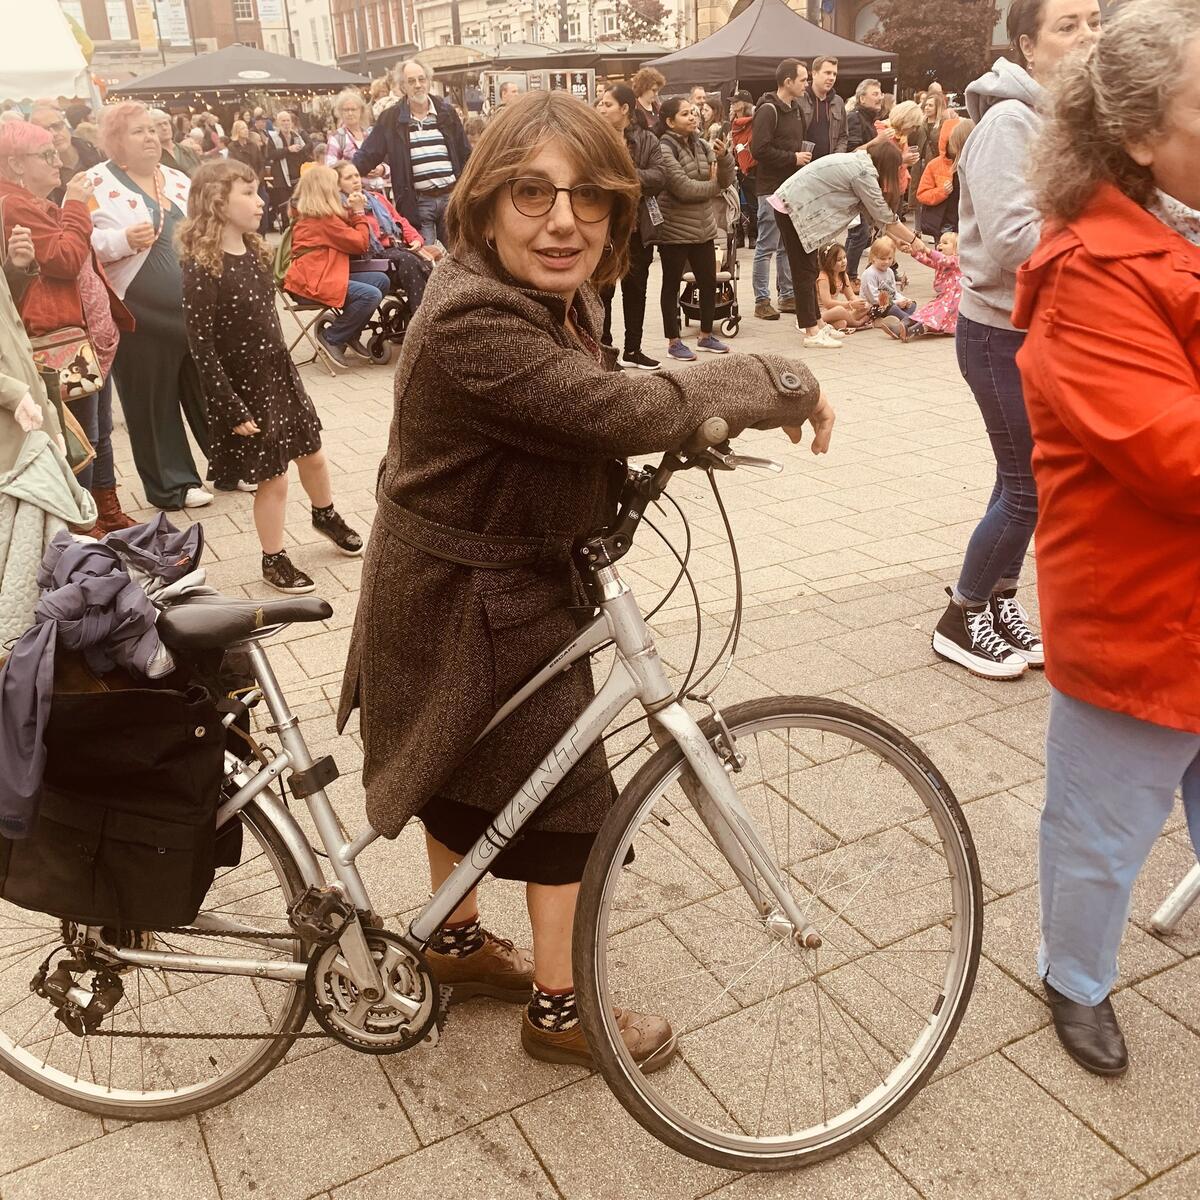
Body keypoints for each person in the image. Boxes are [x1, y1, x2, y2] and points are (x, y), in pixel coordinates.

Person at [335, 88, 834, 1071]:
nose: (563, 220)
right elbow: (611, 410)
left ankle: (453, 943)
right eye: (531, 192)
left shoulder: (540, 285)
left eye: (589, 198)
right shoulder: (477, 317)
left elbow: (576, 416)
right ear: (483, 202)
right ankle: (562, 1014)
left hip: (469, 584)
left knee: (460, 774)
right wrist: (782, 381)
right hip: (467, 601)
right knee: (566, 802)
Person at [1009, 0, 1200, 1078]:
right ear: (1139, 138)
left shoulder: (1181, 233)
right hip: (1138, 618)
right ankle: (1073, 978)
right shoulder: (1090, 273)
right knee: (1098, 840)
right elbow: (1179, 453)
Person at [930, 0, 1101, 679]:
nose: (1088, 34)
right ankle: (961, 612)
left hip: (1034, 330)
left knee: (1029, 481)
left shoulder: (1064, 121)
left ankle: (998, 602)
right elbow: (1008, 242)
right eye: (1068, 25)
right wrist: (1102, 248)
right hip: (998, 333)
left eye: (1094, 20)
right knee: (1027, 484)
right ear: (1028, 45)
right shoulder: (1008, 122)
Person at [180, 160, 362, 595]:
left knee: (313, 452)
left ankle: (325, 514)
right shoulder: (203, 267)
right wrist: (228, 406)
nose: (260, 201)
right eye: (248, 193)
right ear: (217, 202)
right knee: (273, 477)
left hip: (278, 375)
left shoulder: (256, 250)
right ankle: (273, 558)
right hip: (244, 388)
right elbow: (200, 345)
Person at [0, 121, 137, 532]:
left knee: (98, 432)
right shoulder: (13, 204)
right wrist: (76, 204)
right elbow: (64, 258)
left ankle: (106, 512)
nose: (58, 160)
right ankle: (83, 525)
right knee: (80, 437)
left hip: (80, 334)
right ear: (15, 163)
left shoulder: (28, 201)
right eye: (46, 154)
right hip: (55, 339)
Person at [87, 101, 213, 511]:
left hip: (191, 307)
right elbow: (83, 244)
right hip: (136, 311)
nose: (150, 138)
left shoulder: (176, 177)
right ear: (116, 141)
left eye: (153, 130)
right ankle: (172, 484)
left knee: (209, 387)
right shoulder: (93, 183)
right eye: (138, 131)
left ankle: (230, 463)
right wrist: (122, 240)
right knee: (153, 397)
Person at [0, 223, 94, 640]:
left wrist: (15, 272)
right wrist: (11, 392)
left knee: (38, 556)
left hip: (26, 419)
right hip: (11, 431)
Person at [773, 140, 918, 349]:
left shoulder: (862, 164)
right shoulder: (863, 173)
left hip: (793, 205)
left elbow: (873, 214)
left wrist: (898, 240)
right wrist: (915, 241)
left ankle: (818, 324)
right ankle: (811, 331)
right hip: (792, 207)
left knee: (809, 269)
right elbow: (883, 214)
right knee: (803, 271)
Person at [355, 59, 471, 248]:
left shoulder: (447, 113)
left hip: (451, 197)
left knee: (460, 255)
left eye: (421, 79)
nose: (418, 85)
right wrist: (340, 175)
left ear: (428, 81)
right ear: (402, 86)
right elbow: (368, 154)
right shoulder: (391, 118)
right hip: (417, 201)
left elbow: (466, 155)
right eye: (411, 81)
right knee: (425, 258)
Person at [283, 165, 388, 365]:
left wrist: (350, 210)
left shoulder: (319, 215)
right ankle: (331, 337)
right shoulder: (321, 220)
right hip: (310, 284)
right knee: (370, 294)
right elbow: (360, 243)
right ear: (325, 190)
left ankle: (349, 333)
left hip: (324, 275)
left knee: (381, 280)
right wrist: (358, 212)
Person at [656, 96, 734, 362]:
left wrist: (724, 158)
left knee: (709, 281)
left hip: (704, 227)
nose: (693, 117)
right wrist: (714, 188)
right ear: (669, 121)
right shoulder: (664, 148)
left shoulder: (701, 144)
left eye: (693, 112)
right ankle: (673, 341)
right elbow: (683, 188)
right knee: (671, 284)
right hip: (674, 229)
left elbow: (726, 178)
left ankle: (705, 336)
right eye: (685, 114)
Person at [595, 84, 666, 370]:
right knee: (603, 292)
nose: (601, 108)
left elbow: (660, 176)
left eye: (608, 104)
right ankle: (604, 350)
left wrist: (623, 175)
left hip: (637, 228)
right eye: (600, 103)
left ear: (625, 109)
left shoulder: (647, 139)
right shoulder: (593, 139)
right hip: (603, 229)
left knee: (636, 289)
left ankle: (633, 349)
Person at [331, 161, 436, 310]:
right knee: (409, 260)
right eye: (348, 178)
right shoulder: (339, 208)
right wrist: (357, 210)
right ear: (338, 185)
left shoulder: (377, 198)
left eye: (356, 175)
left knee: (436, 256)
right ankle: (422, 315)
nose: (355, 180)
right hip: (369, 257)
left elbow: (399, 220)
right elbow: (354, 239)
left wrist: (415, 239)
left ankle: (436, 310)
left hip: (396, 249)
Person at [750, 59, 809, 322]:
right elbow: (759, 150)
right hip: (771, 188)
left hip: (791, 187)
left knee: (787, 244)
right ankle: (761, 300)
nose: (806, 84)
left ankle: (786, 295)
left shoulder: (796, 109)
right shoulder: (769, 110)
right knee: (767, 245)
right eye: (803, 79)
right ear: (788, 82)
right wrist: (792, 158)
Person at [844, 78, 885, 282]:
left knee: (862, 232)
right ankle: (848, 275)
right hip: (856, 182)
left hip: (868, 180)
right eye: (875, 94)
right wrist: (877, 142)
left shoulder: (869, 119)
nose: (880, 97)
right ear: (862, 98)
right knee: (859, 232)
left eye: (880, 93)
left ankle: (847, 274)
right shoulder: (854, 117)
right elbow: (852, 150)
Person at [28, 101, 102, 205]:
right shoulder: (41, 174)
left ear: (66, 125)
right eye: (44, 131)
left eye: (57, 126)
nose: (53, 134)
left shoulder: (96, 151)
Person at [916, 118, 973, 237]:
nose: (953, 147)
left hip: (966, 223)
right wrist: (942, 192)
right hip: (944, 224)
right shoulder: (935, 165)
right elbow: (922, 194)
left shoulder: (973, 165)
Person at [861, 235, 925, 340]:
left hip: (890, 303)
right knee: (893, 307)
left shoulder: (889, 271)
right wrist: (896, 303)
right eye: (882, 258)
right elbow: (873, 298)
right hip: (873, 307)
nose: (886, 262)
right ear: (873, 257)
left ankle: (900, 322)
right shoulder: (870, 274)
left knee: (912, 304)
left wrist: (903, 300)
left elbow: (893, 292)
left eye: (889, 258)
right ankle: (911, 321)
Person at [325, 88, 389, 193]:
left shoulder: (371, 134)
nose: (350, 113)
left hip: (378, 195)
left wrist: (382, 169)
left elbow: (389, 162)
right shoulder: (336, 138)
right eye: (346, 110)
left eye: (353, 109)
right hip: (351, 196)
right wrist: (355, 172)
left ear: (361, 111)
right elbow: (331, 171)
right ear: (340, 113)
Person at [900, 231, 962, 335]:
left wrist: (927, 250)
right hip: (945, 296)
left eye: (945, 243)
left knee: (938, 313)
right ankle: (907, 323)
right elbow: (927, 260)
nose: (940, 244)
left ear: (956, 249)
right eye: (940, 242)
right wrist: (913, 252)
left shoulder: (957, 261)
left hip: (954, 299)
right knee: (929, 309)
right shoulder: (941, 261)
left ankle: (915, 329)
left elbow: (943, 259)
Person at [799, 56, 847, 161]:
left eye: (834, 74)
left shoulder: (838, 102)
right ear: (814, 73)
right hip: (802, 166)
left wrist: (836, 157)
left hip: (828, 167)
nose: (832, 78)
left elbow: (843, 136)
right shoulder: (799, 98)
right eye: (827, 73)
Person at [264, 109, 309, 217]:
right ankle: (285, 229)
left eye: (288, 120)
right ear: (278, 123)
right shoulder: (273, 137)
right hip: (281, 179)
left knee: (298, 206)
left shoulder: (297, 136)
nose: (286, 123)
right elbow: (270, 154)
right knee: (284, 208)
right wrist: (288, 149)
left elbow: (305, 152)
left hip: (296, 176)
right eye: (283, 121)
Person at [816, 242, 869, 330]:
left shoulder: (843, 275)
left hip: (835, 311)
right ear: (828, 262)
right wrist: (850, 305)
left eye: (844, 257)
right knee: (840, 310)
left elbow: (851, 296)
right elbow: (827, 303)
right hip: (821, 313)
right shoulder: (823, 278)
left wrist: (860, 304)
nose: (844, 261)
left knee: (843, 322)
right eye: (839, 260)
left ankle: (834, 324)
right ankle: (856, 323)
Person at [151, 108, 200, 176]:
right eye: (159, 125)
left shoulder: (188, 151)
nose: (164, 128)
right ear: (151, 130)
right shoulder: (153, 158)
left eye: (166, 123)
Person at [632, 66, 664, 132]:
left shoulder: (659, 107)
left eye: (658, 90)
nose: (656, 94)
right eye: (653, 90)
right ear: (643, 88)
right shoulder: (634, 110)